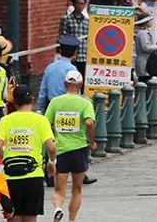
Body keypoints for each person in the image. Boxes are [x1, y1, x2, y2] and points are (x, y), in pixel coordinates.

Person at [0, 85, 55, 222]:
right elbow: (51, 147)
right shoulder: (41, 120)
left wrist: (5, 157)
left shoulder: (5, 120)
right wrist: (52, 162)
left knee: (13, 215)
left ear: (15, 102)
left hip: (11, 175)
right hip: (33, 175)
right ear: (32, 99)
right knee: (30, 216)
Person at [45, 70, 96, 222]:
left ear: (65, 84)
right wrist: (92, 141)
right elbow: (89, 122)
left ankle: (58, 208)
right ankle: (72, 220)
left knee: (59, 190)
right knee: (77, 189)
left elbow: (46, 122)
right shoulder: (85, 103)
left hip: (60, 150)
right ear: (80, 84)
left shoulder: (55, 102)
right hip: (79, 149)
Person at [37, 36, 79, 112]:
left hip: (50, 105)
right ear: (75, 52)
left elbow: (43, 89)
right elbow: (75, 91)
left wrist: (40, 107)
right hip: (66, 107)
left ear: (60, 50)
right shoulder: (72, 69)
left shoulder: (50, 67)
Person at [58, 0, 90, 76]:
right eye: (77, 3)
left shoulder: (88, 21)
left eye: (82, 4)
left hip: (84, 57)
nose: (79, 6)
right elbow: (63, 37)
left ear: (85, 5)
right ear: (74, 4)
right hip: (72, 57)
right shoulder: (66, 19)